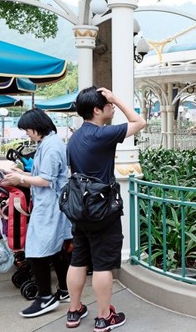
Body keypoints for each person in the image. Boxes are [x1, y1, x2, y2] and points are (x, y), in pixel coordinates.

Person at [65, 87, 145, 331]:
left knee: (78, 259)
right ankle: (104, 317)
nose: (111, 107)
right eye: (107, 104)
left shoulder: (74, 138)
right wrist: (116, 98)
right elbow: (139, 122)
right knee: (102, 264)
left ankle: (74, 310)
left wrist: (111, 100)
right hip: (101, 209)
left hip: (78, 208)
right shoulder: (102, 134)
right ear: (97, 110)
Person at [1, 108, 73, 318]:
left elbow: (46, 180)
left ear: (37, 127)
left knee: (35, 249)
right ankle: (64, 290)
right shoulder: (49, 143)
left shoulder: (51, 146)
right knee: (56, 249)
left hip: (49, 206)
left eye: (27, 129)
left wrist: (20, 179)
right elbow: (43, 175)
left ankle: (45, 297)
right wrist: (21, 173)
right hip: (49, 204)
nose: (26, 133)